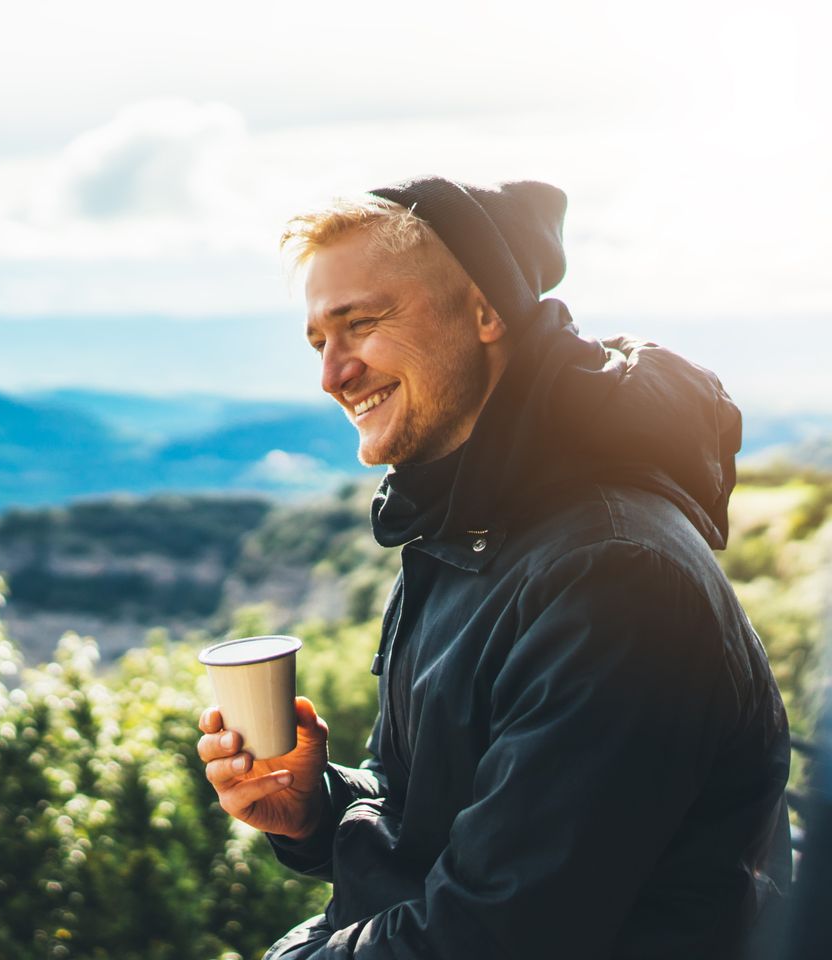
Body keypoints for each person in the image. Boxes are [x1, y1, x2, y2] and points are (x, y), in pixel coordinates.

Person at [196, 176, 793, 959]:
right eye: (319, 341)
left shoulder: (613, 577)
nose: (332, 374)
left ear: (486, 311)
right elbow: (430, 819)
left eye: (362, 324)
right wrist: (318, 806)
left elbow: (495, 931)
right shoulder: (462, 535)